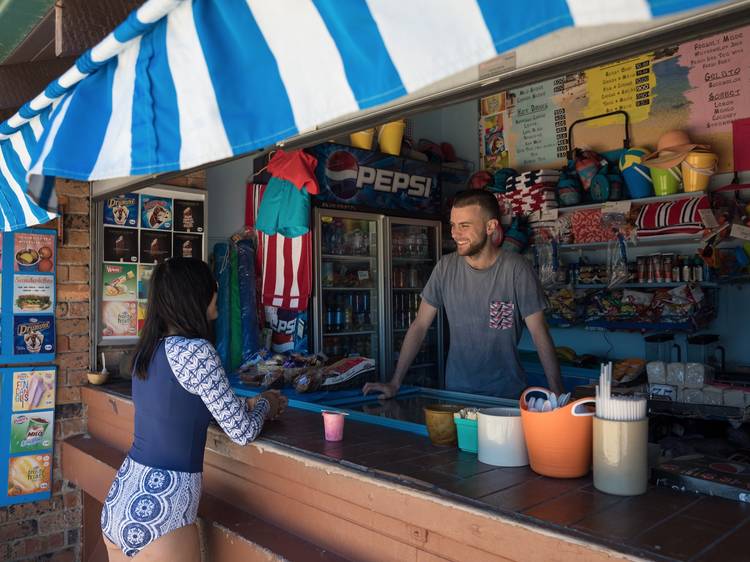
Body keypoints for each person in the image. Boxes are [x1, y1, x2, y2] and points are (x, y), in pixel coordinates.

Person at [101, 258, 287, 561]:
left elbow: (184, 407)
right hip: (162, 510)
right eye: (211, 287)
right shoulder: (196, 351)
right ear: (194, 295)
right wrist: (266, 402)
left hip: (123, 497)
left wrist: (244, 404)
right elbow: (242, 432)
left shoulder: (148, 350)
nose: (216, 292)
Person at [364, 190, 563, 400]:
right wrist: (395, 382)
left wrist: (558, 394)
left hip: (506, 395)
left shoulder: (516, 269)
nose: (455, 234)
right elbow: (420, 326)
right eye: (453, 225)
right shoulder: (445, 267)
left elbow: (539, 333)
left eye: (464, 226)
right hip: (456, 394)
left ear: (490, 227)